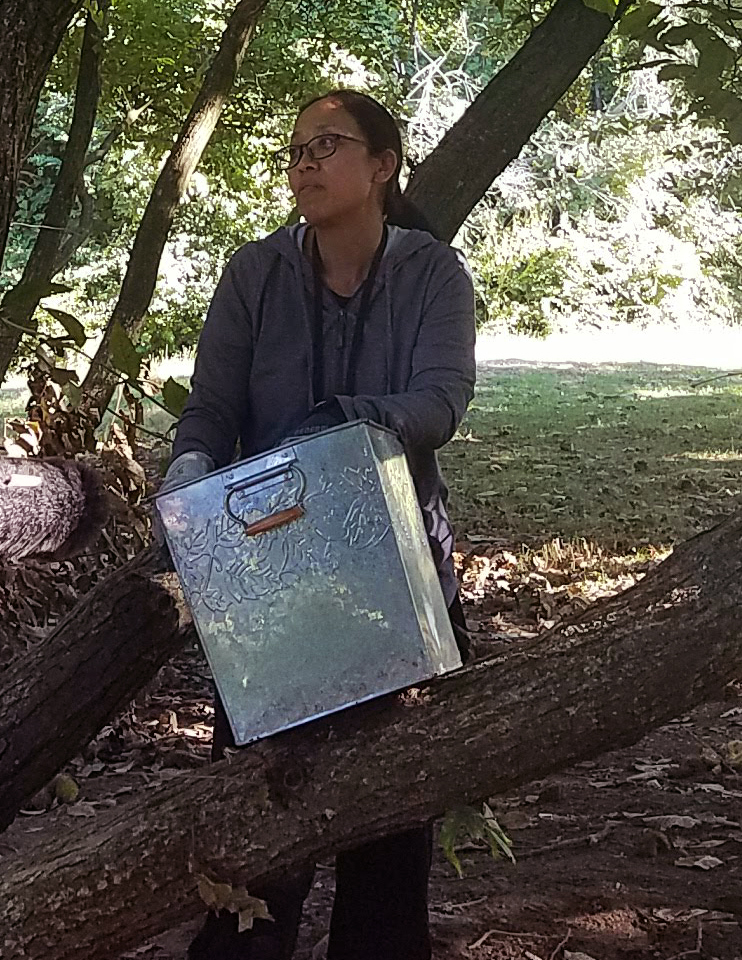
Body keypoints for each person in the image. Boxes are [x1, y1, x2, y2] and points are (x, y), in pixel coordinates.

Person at [166, 90, 476, 960]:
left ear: (383, 166)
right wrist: (188, 473)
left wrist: (337, 421)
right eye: (296, 149)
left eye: (328, 145)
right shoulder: (253, 273)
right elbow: (214, 408)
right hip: (272, 585)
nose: (304, 163)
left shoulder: (432, 275)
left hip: (400, 576)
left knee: (387, 849)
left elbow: (439, 404)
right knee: (257, 841)